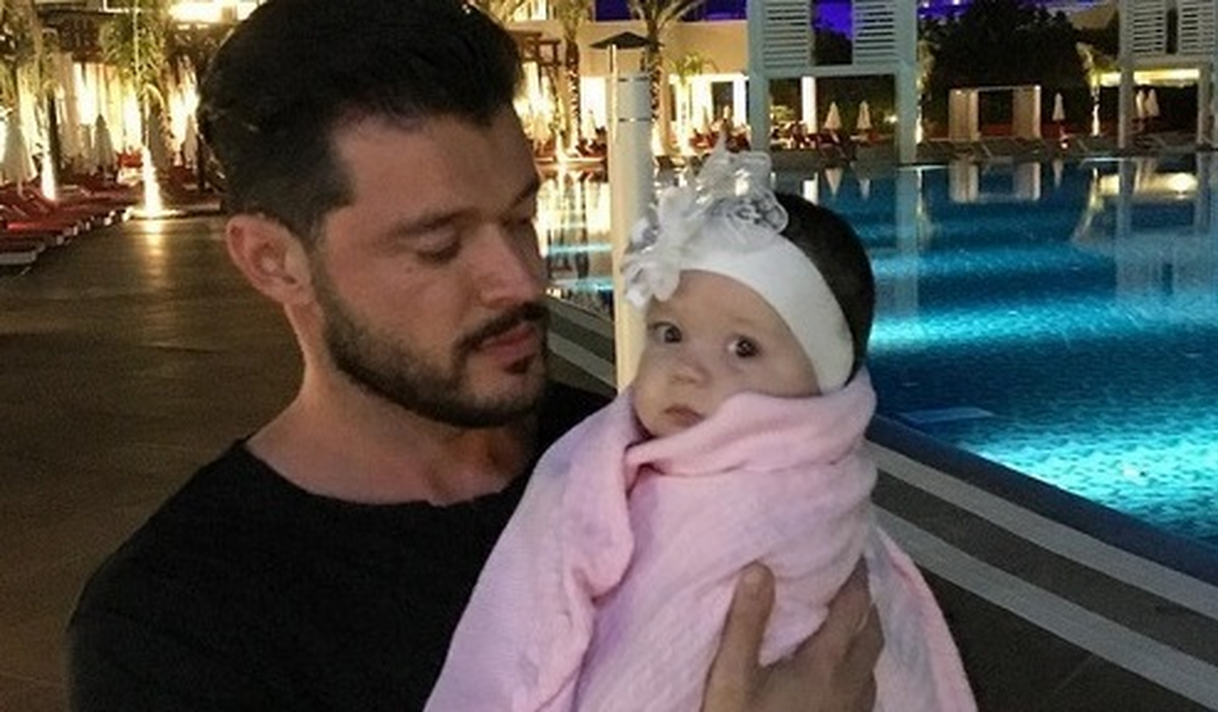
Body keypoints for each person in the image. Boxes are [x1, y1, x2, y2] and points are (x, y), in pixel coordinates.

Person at [66, 1, 882, 710]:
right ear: (274, 261)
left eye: (522, 218)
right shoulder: (177, 625)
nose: (521, 279)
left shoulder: (648, 460)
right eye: (439, 245)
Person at [428, 148, 975, 711]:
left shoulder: (780, 508)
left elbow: (660, 661)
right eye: (669, 334)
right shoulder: (609, 457)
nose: (687, 369)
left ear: (823, 384)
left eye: (743, 348)